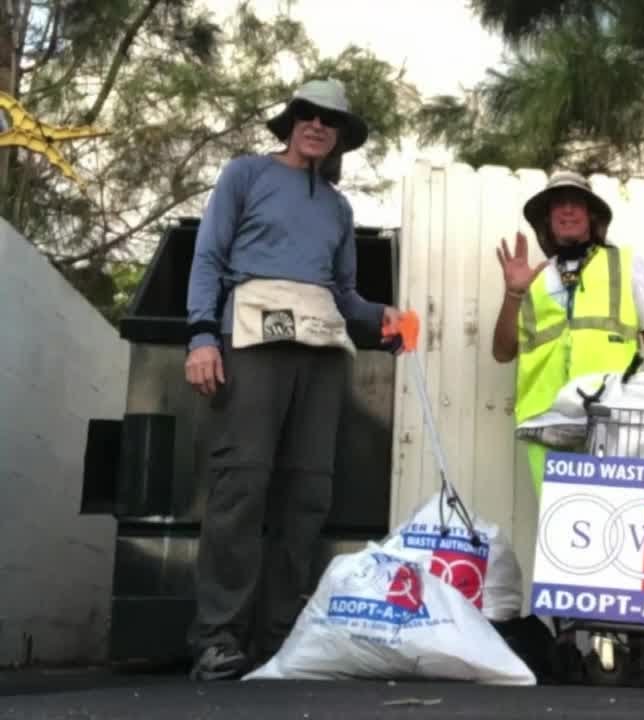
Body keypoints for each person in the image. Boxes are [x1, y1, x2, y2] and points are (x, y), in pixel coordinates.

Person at [183, 78, 402, 681]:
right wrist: (202, 334)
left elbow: (343, 292)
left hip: (321, 349)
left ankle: (280, 636)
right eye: (306, 114)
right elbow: (208, 256)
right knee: (241, 484)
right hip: (251, 338)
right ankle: (218, 637)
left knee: (308, 490)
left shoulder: (338, 207)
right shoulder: (245, 175)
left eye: (329, 120)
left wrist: (378, 314)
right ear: (290, 122)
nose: (316, 126)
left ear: (339, 137)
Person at [491, 170, 644, 686]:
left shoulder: (623, 264)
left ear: (593, 218)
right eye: (558, 206)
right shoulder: (533, 279)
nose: (567, 211)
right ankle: (570, 651)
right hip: (548, 423)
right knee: (565, 537)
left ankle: (638, 650)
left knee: (626, 530)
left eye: (577, 204)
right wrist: (512, 294)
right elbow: (503, 349)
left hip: (615, 416)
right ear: (548, 222)